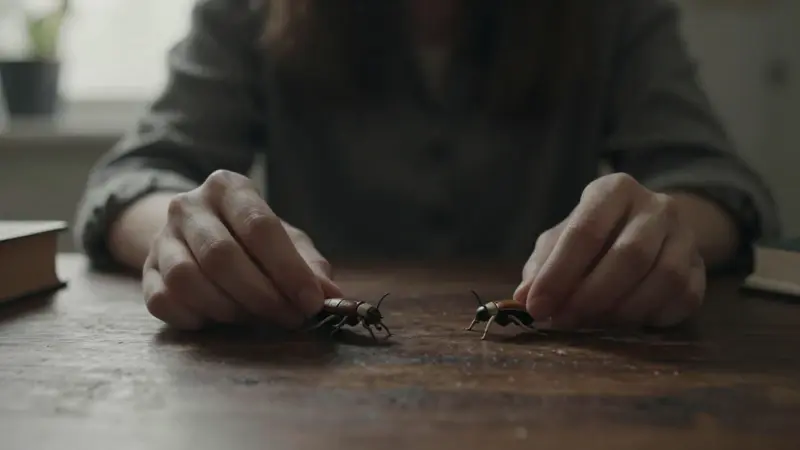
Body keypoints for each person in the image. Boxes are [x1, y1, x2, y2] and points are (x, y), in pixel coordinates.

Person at [73, 0, 780, 333]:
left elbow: (722, 187)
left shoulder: (616, 15)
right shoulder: (245, 11)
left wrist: (671, 228)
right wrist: (183, 231)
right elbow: (134, 179)